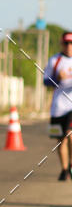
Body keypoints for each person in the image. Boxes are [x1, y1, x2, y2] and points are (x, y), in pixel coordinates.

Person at [44, 30, 72, 180]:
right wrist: (57, 77)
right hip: (58, 107)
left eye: (71, 43)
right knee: (60, 140)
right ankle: (64, 169)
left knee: (69, 134)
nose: (69, 46)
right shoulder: (54, 60)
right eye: (66, 43)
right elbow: (46, 82)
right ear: (61, 44)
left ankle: (71, 164)